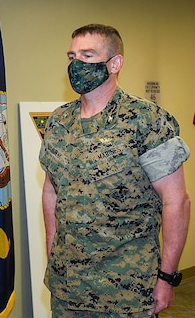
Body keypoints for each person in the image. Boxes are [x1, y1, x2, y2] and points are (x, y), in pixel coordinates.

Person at [39, 23, 191, 317]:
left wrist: (167, 278)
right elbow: (51, 192)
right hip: (67, 289)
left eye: (88, 56)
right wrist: (51, 254)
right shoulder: (58, 123)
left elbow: (177, 202)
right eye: (72, 57)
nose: (76, 65)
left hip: (126, 292)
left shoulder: (147, 121)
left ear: (114, 63)